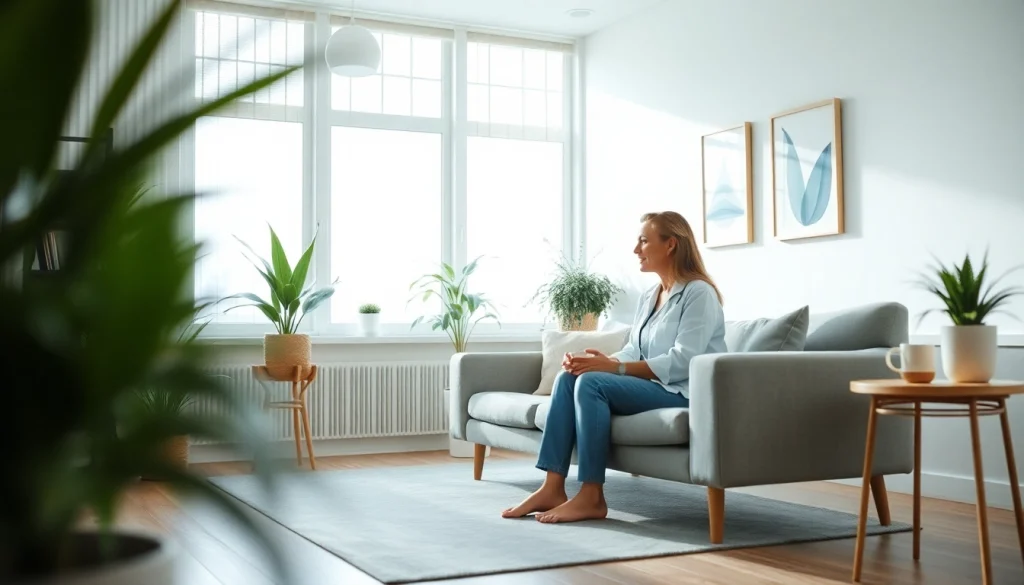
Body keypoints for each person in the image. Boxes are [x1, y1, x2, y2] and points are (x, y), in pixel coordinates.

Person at [501, 211, 727, 523]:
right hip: (654, 387)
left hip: (683, 392)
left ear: (671, 245)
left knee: (592, 383)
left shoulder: (699, 293)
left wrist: (612, 370)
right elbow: (635, 348)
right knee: (571, 377)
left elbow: (683, 361)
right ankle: (552, 486)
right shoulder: (651, 295)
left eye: (644, 241)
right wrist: (603, 362)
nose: (637, 249)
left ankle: (592, 496)